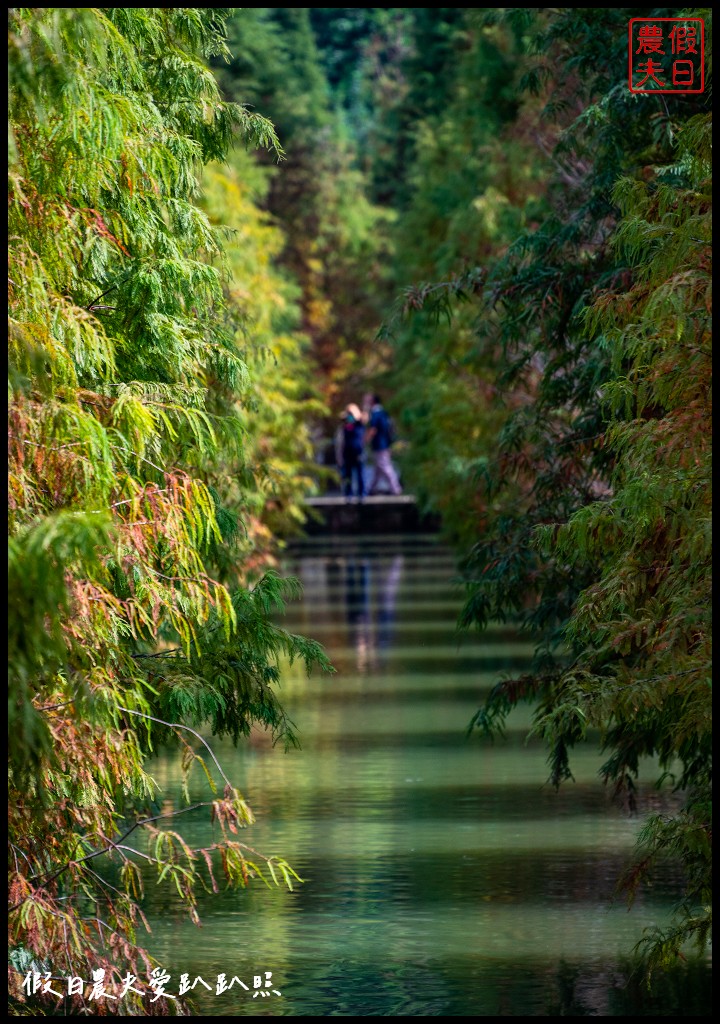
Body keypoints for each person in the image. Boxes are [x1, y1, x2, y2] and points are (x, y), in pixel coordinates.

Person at [366, 394, 402, 496]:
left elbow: (373, 429)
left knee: (385, 466)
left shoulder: (376, 413)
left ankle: (396, 488)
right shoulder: (384, 413)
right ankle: (371, 489)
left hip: (380, 444)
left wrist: (365, 440)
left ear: (373, 401)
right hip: (385, 443)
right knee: (378, 468)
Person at [338, 402, 366, 500]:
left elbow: (363, 418)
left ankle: (361, 493)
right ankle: (348, 493)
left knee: (360, 474)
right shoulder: (346, 424)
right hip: (348, 452)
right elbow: (341, 417)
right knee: (348, 474)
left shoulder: (359, 423)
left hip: (358, 451)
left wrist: (355, 414)